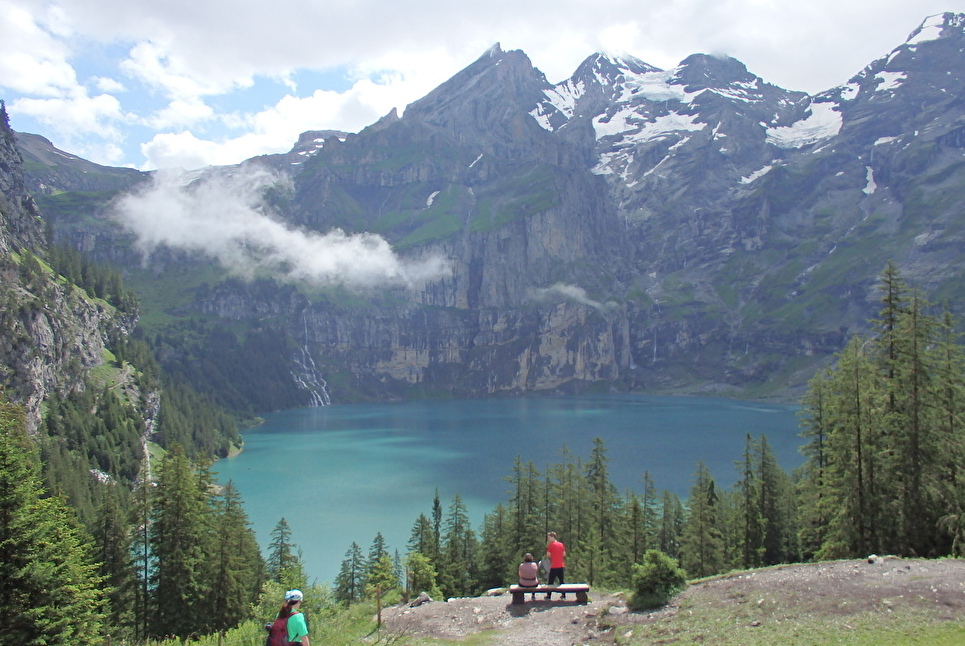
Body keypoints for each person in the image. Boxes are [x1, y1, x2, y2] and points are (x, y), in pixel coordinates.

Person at [545, 531, 566, 600]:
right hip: (561, 565)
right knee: (561, 581)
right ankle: (563, 595)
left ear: (552, 537)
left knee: (550, 581)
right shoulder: (561, 544)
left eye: (549, 537)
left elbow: (548, 555)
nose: (548, 539)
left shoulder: (551, 545)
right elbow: (564, 554)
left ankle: (548, 595)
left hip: (554, 566)